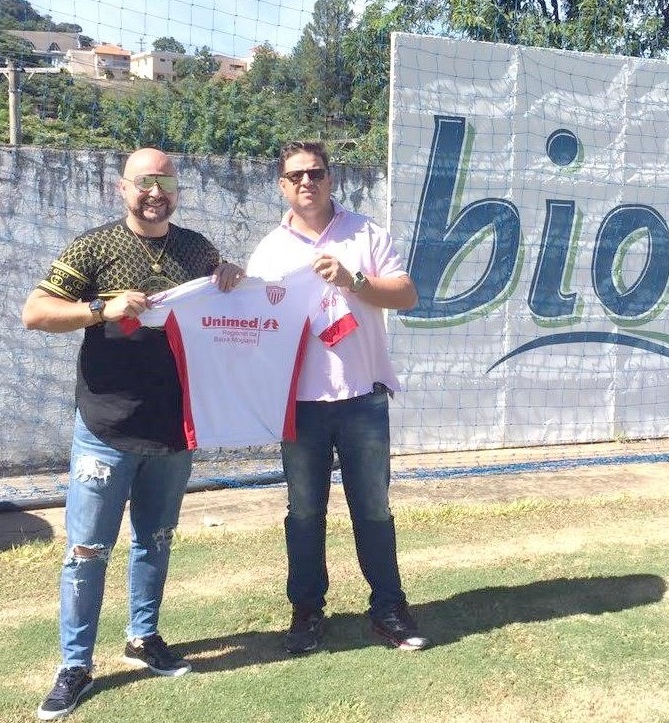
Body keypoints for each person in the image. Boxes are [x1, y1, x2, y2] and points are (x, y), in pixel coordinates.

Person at [22, 147, 243, 720]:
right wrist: (101, 307)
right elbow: (35, 311)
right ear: (122, 188)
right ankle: (75, 664)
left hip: (174, 430)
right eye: (144, 182)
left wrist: (231, 279)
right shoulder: (94, 247)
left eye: (165, 182)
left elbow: (225, 310)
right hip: (106, 427)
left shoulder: (198, 249)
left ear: (177, 190)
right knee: (87, 549)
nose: (155, 192)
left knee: (156, 539)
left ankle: (143, 638)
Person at [245, 140, 426, 654]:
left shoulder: (365, 233)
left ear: (331, 178)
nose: (307, 182)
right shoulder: (269, 250)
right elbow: (252, 323)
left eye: (316, 172)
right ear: (282, 185)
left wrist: (354, 280)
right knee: (304, 513)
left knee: (373, 508)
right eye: (296, 175)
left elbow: (407, 294)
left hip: (363, 397)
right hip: (299, 403)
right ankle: (306, 615)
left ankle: (389, 610)